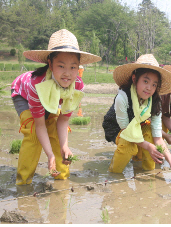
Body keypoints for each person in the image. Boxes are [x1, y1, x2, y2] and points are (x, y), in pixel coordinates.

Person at [10, 29, 102, 185]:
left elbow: (63, 121)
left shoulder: (77, 85)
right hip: (23, 94)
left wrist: (64, 146)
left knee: (53, 128)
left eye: (73, 67)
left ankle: (61, 177)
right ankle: (23, 182)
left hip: (52, 98)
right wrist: (50, 155)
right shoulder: (36, 85)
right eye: (61, 66)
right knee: (32, 131)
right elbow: (40, 125)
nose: (67, 73)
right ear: (50, 65)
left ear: (78, 68)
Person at [102, 54, 171, 181]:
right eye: (145, 81)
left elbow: (158, 137)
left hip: (137, 126)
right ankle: (114, 174)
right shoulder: (122, 97)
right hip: (117, 128)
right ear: (134, 79)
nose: (149, 88)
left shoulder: (155, 102)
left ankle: (148, 173)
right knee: (129, 146)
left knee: (151, 136)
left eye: (154, 85)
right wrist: (148, 146)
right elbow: (126, 130)